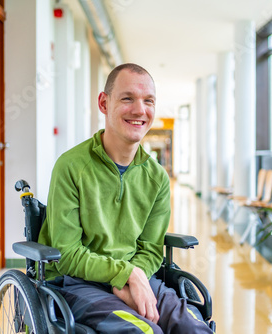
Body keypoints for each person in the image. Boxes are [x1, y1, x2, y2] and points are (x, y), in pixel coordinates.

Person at [38, 63, 213, 333]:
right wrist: (125, 276)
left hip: (138, 277)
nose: (140, 110)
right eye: (127, 98)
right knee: (145, 331)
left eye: (148, 101)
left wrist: (135, 278)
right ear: (104, 103)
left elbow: (151, 249)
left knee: (193, 327)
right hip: (78, 284)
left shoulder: (156, 177)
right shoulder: (71, 166)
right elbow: (67, 255)